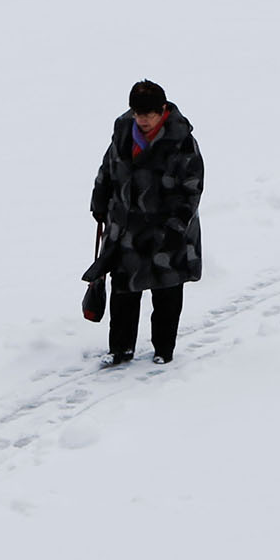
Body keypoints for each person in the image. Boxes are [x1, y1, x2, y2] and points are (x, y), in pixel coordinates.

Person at [86, 80, 204, 366]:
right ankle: (120, 349)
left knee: (166, 292)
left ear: (162, 110)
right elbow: (108, 167)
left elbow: (191, 188)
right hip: (126, 227)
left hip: (166, 232)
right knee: (123, 290)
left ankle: (164, 349)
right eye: (138, 114)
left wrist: (175, 228)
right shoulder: (124, 131)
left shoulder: (181, 140)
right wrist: (99, 202)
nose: (142, 121)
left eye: (148, 115)